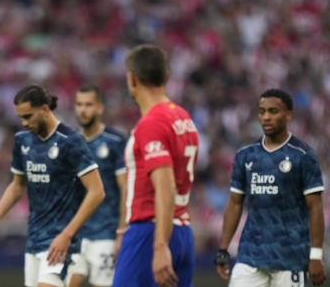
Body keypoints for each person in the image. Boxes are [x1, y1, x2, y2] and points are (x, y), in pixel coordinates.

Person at [0, 84, 106, 287]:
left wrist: (67, 235)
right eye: (20, 117)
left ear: (45, 109)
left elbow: (97, 192)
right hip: (34, 241)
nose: (24, 123)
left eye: (28, 116)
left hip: (61, 242)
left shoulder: (70, 141)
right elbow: (18, 186)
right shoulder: (22, 140)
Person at [214, 88, 326, 287]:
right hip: (250, 257)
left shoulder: (303, 155)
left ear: (288, 114)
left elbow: (315, 207)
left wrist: (316, 255)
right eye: (262, 111)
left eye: (273, 111)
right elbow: (234, 203)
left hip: (290, 259)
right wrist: (223, 249)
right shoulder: (246, 154)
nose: (266, 117)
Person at [112, 44, 199, 287]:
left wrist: (160, 245)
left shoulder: (152, 122)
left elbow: (165, 185)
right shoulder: (183, 117)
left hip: (151, 233)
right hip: (182, 231)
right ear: (167, 76)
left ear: (132, 79)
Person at [69, 84, 127, 287]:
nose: (83, 109)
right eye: (79, 104)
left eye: (88, 105)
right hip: (75, 233)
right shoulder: (68, 142)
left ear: (100, 108)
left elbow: (125, 189)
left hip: (106, 233)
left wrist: (122, 231)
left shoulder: (115, 142)